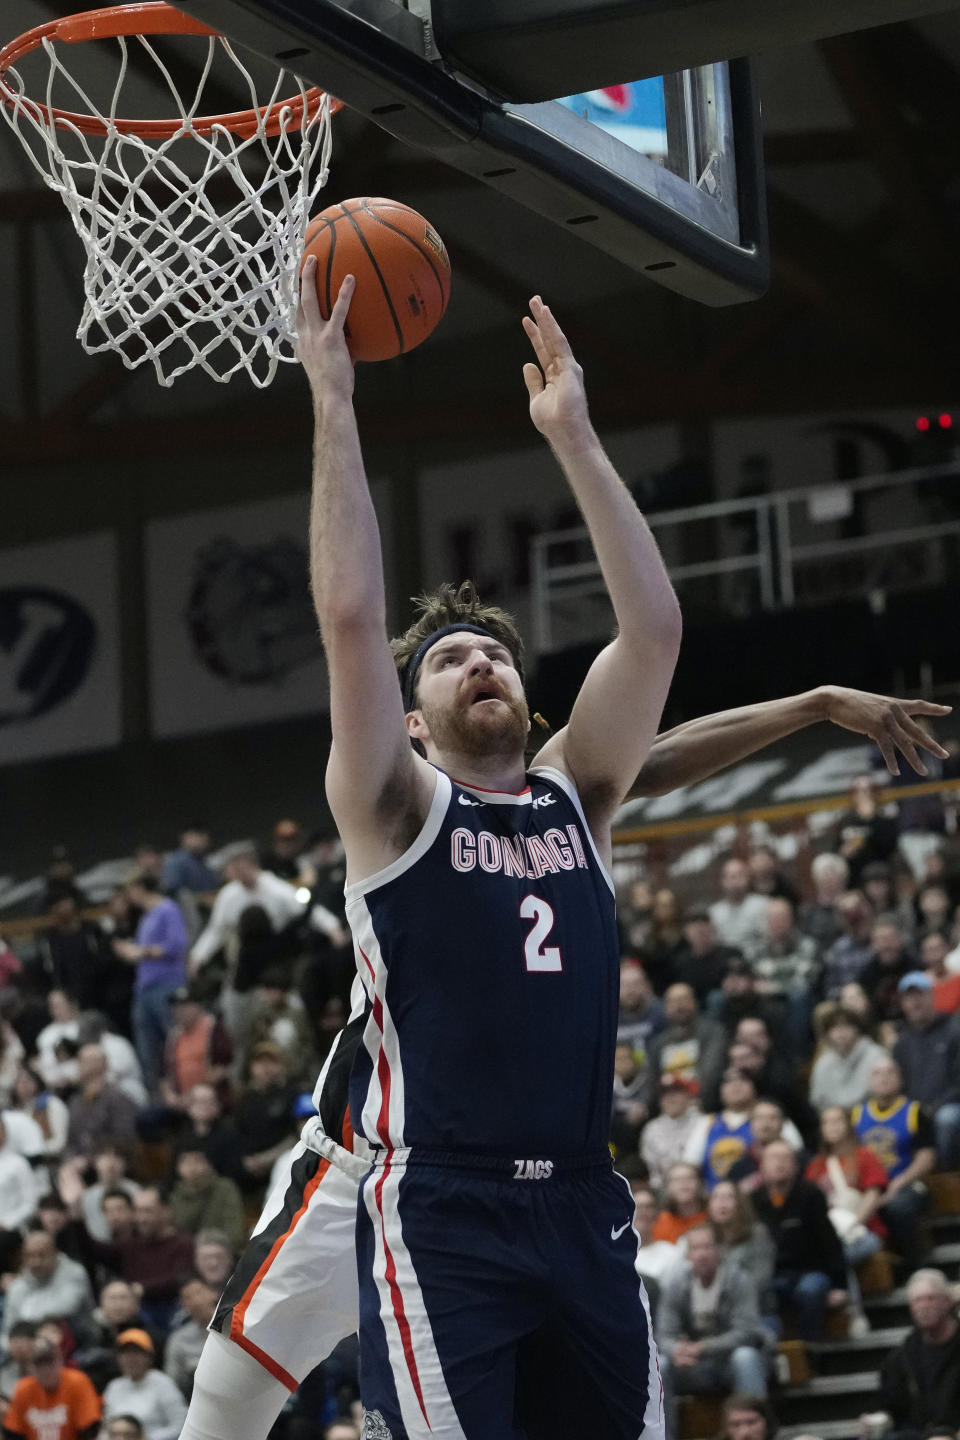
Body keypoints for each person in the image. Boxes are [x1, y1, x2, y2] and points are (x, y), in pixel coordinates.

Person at [176, 668, 949, 1440]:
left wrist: (811, 703)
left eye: (493, 657)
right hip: (375, 1167)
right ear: (415, 723)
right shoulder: (403, 803)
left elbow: (659, 757)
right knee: (229, 1392)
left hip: (519, 1192)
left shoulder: (548, 803)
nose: (480, 672)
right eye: (452, 662)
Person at [657, 1224, 769, 1423]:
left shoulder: (738, 1280)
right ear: (687, 1254)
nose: (701, 1254)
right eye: (695, 1248)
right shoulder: (676, 1284)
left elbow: (746, 1332)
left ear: (719, 1250)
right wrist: (676, 1350)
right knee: (661, 1365)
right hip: (692, 1365)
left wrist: (702, 1348)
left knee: (745, 1357)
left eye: (707, 1247)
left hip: (728, 1361)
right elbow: (664, 1334)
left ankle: (755, 1430)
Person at [806, 1106, 890, 1334]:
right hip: (831, 1235)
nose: (832, 1127)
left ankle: (853, 1312)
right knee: (831, 1254)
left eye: (837, 1121)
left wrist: (853, 1224)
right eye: (826, 1122)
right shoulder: (816, 1166)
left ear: (848, 1125)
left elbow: (873, 1194)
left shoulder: (864, 1156)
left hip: (865, 1231)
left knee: (838, 1256)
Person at [751, 1139, 847, 1340]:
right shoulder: (753, 1200)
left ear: (795, 1166)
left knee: (810, 1290)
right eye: (773, 1158)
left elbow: (830, 1242)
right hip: (774, 1275)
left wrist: (839, 1286)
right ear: (762, 1166)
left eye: (786, 1158)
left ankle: (810, 1349)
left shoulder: (810, 1194)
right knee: (761, 1294)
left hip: (810, 1271)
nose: (780, 1163)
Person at [852, 1055, 936, 1276]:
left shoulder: (915, 1111)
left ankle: (915, 1267)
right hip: (870, 1187)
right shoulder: (856, 1115)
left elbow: (926, 1157)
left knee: (898, 1206)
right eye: (877, 1073)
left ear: (900, 1079)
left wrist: (899, 1182)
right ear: (869, 1081)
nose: (884, 1078)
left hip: (907, 1183)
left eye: (891, 1072)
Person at [113, 876, 189, 1098]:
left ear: (139, 887)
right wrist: (130, 950)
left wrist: (141, 952)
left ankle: (184, 1093)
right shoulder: (147, 917)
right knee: (147, 1052)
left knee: (174, 1043)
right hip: (144, 989)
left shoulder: (168, 909)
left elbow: (177, 945)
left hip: (166, 985)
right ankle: (157, 1098)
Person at [869, 1269, 960, 1440]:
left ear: (947, 1302)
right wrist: (880, 1419)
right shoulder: (902, 1356)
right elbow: (890, 1405)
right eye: (917, 1301)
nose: (924, 1306)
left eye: (931, 1298)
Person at [893, 972, 960, 1170]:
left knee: (946, 1120)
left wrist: (936, 1105)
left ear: (932, 996)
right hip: (914, 1108)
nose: (914, 1002)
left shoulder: (953, 1033)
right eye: (908, 997)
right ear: (902, 1003)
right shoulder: (901, 1043)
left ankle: (945, 1178)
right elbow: (899, 1083)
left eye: (919, 995)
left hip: (949, 1105)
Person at [2, 1338, 100, 1440]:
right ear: (31, 1367)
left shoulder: (77, 1382)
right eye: (39, 1364)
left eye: (49, 1363)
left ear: (60, 1361)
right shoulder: (23, 1388)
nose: (45, 1370)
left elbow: (89, 1429)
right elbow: (14, 1432)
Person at [101, 1331, 188, 1440]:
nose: (131, 1359)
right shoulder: (114, 1387)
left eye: (136, 1352)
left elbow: (180, 1425)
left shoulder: (163, 1384)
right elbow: (106, 1429)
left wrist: (147, 1438)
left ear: (149, 1357)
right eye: (125, 1353)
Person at [808, 1008, 887, 1113]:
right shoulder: (822, 1064)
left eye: (846, 1025)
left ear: (857, 1029)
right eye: (834, 1027)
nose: (841, 1032)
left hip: (873, 1119)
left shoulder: (877, 1056)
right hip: (835, 1124)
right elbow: (817, 1102)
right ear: (827, 1034)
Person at [641, 1075, 702, 1193]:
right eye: (665, 1094)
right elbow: (653, 1171)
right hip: (664, 1190)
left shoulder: (703, 1123)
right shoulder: (651, 1129)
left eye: (676, 1093)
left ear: (688, 1096)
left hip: (698, 1187)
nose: (670, 1098)